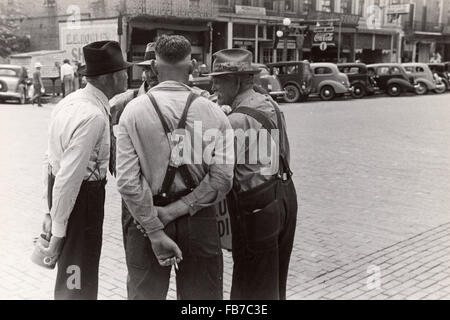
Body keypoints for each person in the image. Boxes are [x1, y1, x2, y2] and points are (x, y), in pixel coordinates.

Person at [116, 35, 234, 300]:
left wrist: (156, 228)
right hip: (199, 219)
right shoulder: (214, 113)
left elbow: (127, 182)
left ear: (155, 67)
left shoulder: (132, 113)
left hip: (147, 218)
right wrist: (178, 210)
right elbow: (222, 179)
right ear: (192, 66)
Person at [37, 41, 131, 300]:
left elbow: (50, 159)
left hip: (67, 197)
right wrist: (58, 231)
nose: (127, 75)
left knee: (74, 271)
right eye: (123, 71)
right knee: (78, 273)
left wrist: (51, 209)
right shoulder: (93, 116)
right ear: (110, 78)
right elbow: (70, 176)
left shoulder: (70, 101)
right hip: (83, 200)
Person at [210, 48, 298, 300]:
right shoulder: (268, 102)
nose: (214, 84)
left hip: (255, 205)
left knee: (249, 286)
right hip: (283, 194)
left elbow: (219, 173)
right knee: (274, 281)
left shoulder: (236, 120)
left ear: (237, 81)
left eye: (219, 78)